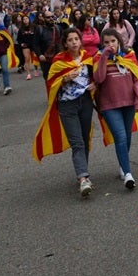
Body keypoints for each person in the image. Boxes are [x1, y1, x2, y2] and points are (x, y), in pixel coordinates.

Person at [33, 27, 97, 197]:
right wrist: (64, 79)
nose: (74, 42)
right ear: (65, 43)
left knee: (84, 139)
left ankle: (83, 172)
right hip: (67, 105)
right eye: (70, 40)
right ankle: (83, 178)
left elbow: (96, 76)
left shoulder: (88, 57)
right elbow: (51, 82)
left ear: (80, 41)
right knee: (77, 142)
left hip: (85, 102)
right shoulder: (59, 60)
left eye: (76, 39)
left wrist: (95, 84)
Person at [94, 28, 138, 190]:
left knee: (126, 137)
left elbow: (137, 79)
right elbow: (99, 78)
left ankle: (123, 164)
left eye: (113, 41)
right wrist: (104, 57)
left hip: (128, 102)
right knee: (120, 136)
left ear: (119, 41)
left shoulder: (129, 55)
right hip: (109, 105)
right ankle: (128, 174)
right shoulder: (99, 57)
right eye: (106, 42)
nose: (110, 45)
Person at [16, 15, 40, 79]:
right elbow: (18, 38)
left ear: (29, 19)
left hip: (34, 44)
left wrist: (37, 43)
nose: (25, 20)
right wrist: (21, 43)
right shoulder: (21, 29)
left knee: (35, 58)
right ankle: (28, 74)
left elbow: (38, 35)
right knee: (27, 58)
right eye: (24, 19)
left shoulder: (34, 27)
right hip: (25, 45)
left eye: (26, 19)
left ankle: (36, 69)